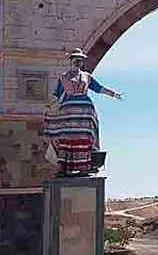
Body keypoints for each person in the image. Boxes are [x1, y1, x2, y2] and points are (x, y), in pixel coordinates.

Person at [42, 48, 124, 176]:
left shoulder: (86, 77)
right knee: (66, 138)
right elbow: (57, 94)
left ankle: (83, 167)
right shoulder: (63, 77)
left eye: (80, 60)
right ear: (71, 60)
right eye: (76, 59)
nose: (78, 62)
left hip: (85, 111)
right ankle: (63, 168)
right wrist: (49, 105)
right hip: (68, 111)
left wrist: (113, 94)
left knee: (84, 138)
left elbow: (98, 88)